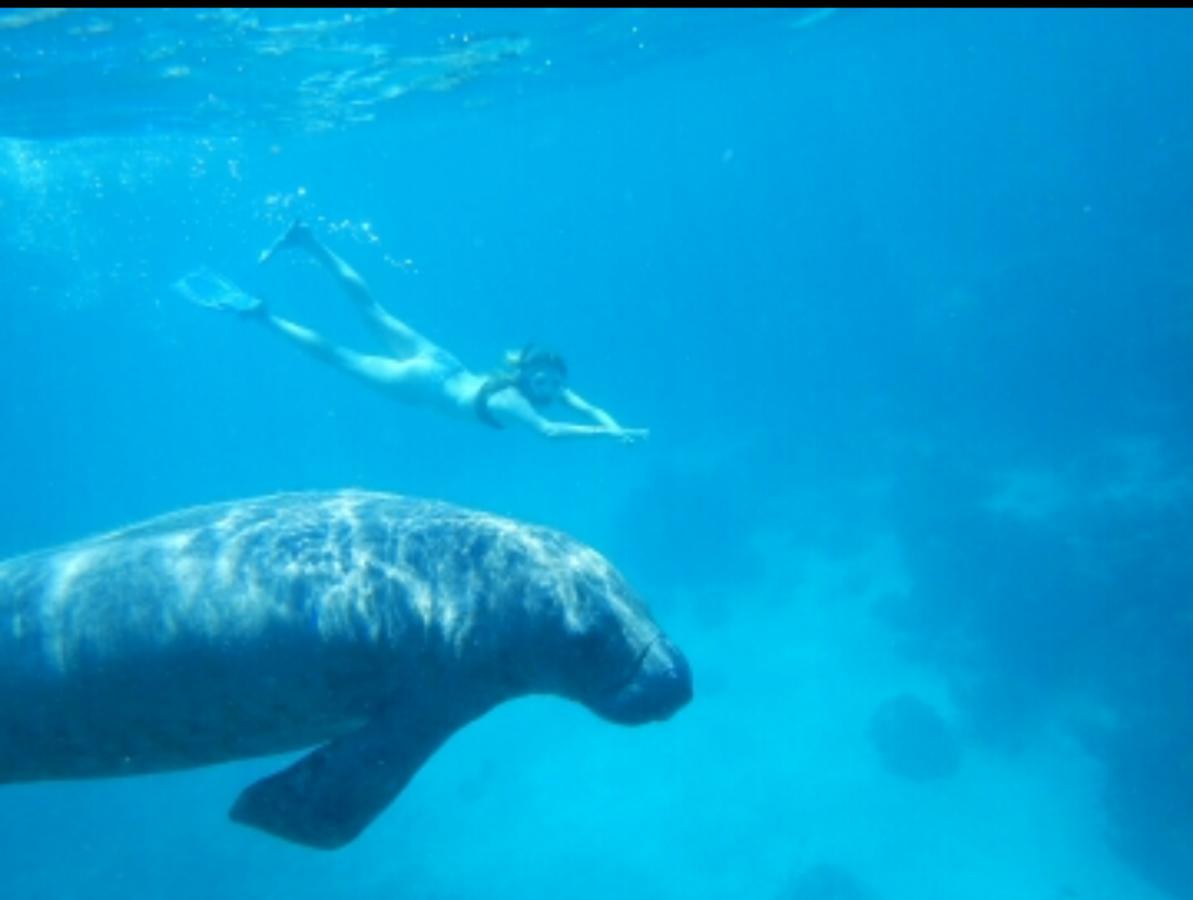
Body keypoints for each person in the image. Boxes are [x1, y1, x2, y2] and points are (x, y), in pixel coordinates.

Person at [180, 221, 648, 443]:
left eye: (554, 383)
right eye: (543, 381)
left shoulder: (539, 388)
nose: (550, 388)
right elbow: (548, 432)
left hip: (442, 363)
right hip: (423, 384)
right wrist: (606, 437)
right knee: (340, 356)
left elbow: (582, 403)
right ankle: (262, 316)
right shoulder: (517, 401)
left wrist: (615, 425)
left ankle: (308, 242)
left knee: (371, 309)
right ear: (526, 378)